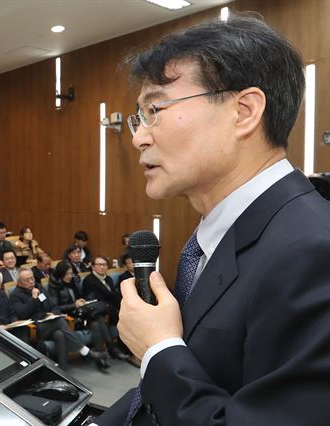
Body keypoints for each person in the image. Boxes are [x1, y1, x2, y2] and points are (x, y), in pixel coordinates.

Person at [97, 16, 330, 426]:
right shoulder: (224, 231)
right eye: (139, 117)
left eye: (155, 109)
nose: (138, 137)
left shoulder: (314, 250)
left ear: (244, 112)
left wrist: (158, 349)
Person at [8, 268, 109, 371]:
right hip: (35, 328)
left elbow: (54, 305)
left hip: (50, 324)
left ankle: (62, 370)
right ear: (19, 282)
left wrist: (54, 313)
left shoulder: (39, 288)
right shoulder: (15, 295)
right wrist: (34, 299)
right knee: (60, 321)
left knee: (60, 334)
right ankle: (85, 351)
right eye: (27, 280)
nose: (31, 282)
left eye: (32, 278)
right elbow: (22, 314)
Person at [47, 262, 115, 369]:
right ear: (61, 274)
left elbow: (80, 296)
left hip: (81, 313)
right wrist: (73, 305)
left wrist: (83, 300)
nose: (70, 276)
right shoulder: (54, 286)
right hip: (68, 317)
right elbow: (56, 308)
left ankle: (99, 355)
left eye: (71, 273)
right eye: (68, 274)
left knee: (96, 321)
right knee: (96, 320)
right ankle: (106, 350)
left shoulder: (74, 281)